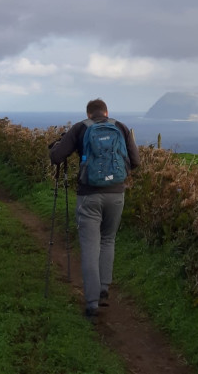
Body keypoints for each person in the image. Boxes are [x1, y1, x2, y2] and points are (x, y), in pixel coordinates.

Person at [49, 98, 140, 321]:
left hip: (89, 195)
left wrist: (56, 146)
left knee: (90, 247)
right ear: (106, 112)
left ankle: (91, 304)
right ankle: (104, 289)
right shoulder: (120, 127)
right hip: (117, 194)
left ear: (88, 114)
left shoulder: (81, 128)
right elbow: (136, 161)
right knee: (108, 240)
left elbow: (56, 158)